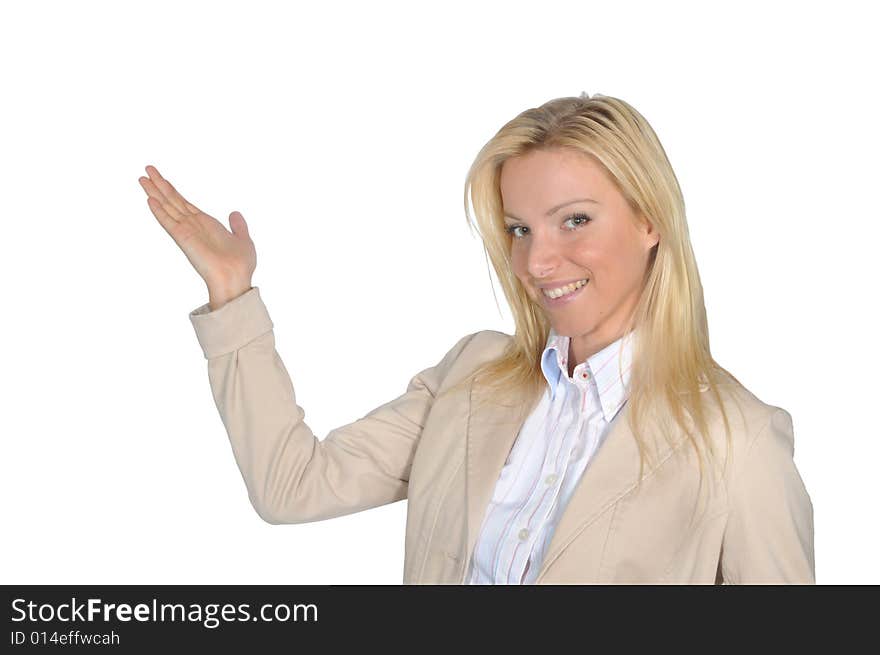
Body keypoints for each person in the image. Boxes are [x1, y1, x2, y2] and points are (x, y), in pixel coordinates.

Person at [138, 92, 815, 584]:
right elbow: (292, 485)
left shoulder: (735, 441)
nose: (537, 262)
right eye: (520, 229)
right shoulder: (475, 374)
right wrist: (232, 291)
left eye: (573, 220)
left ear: (650, 222)